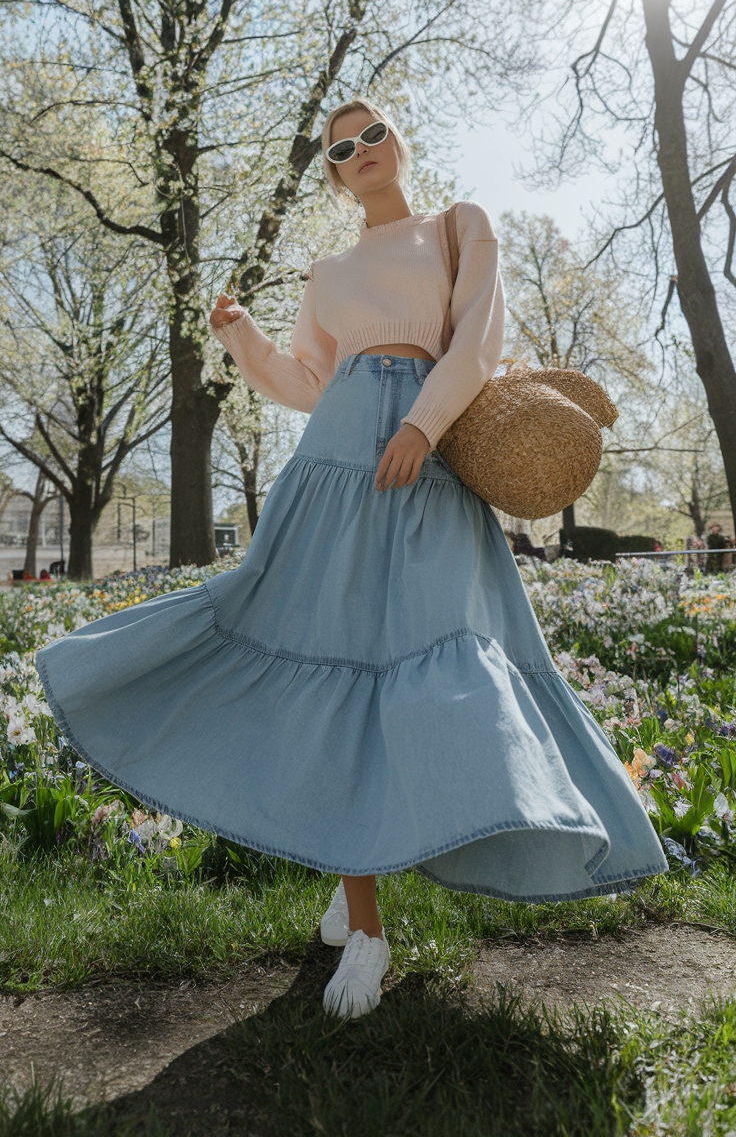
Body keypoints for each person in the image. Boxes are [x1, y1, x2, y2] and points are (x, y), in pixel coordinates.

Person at [35, 98, 667, 1021]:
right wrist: (239, 337)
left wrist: (419, 423)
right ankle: (364, 922)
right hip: (334, 469)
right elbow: (309, 380)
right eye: (343, 147)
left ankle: (378, 865)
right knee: (332, 662)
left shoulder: (459, 227)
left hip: (425, 461)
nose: (362, 150)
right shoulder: (325, 271)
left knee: (427, 663)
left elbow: (477, 342)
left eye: (374, 133)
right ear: (332, 174)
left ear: (400, 141)